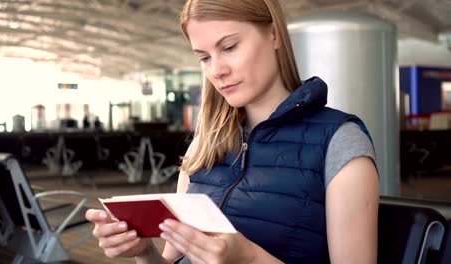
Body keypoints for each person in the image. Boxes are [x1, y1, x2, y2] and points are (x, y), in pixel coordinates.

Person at [85, 0, 379, 263]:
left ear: (273, 34)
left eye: (229, 47)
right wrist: (144, 253)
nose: (216, 70)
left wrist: (250, 258)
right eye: (204, 57)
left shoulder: (339, 142)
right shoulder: (203, 145)